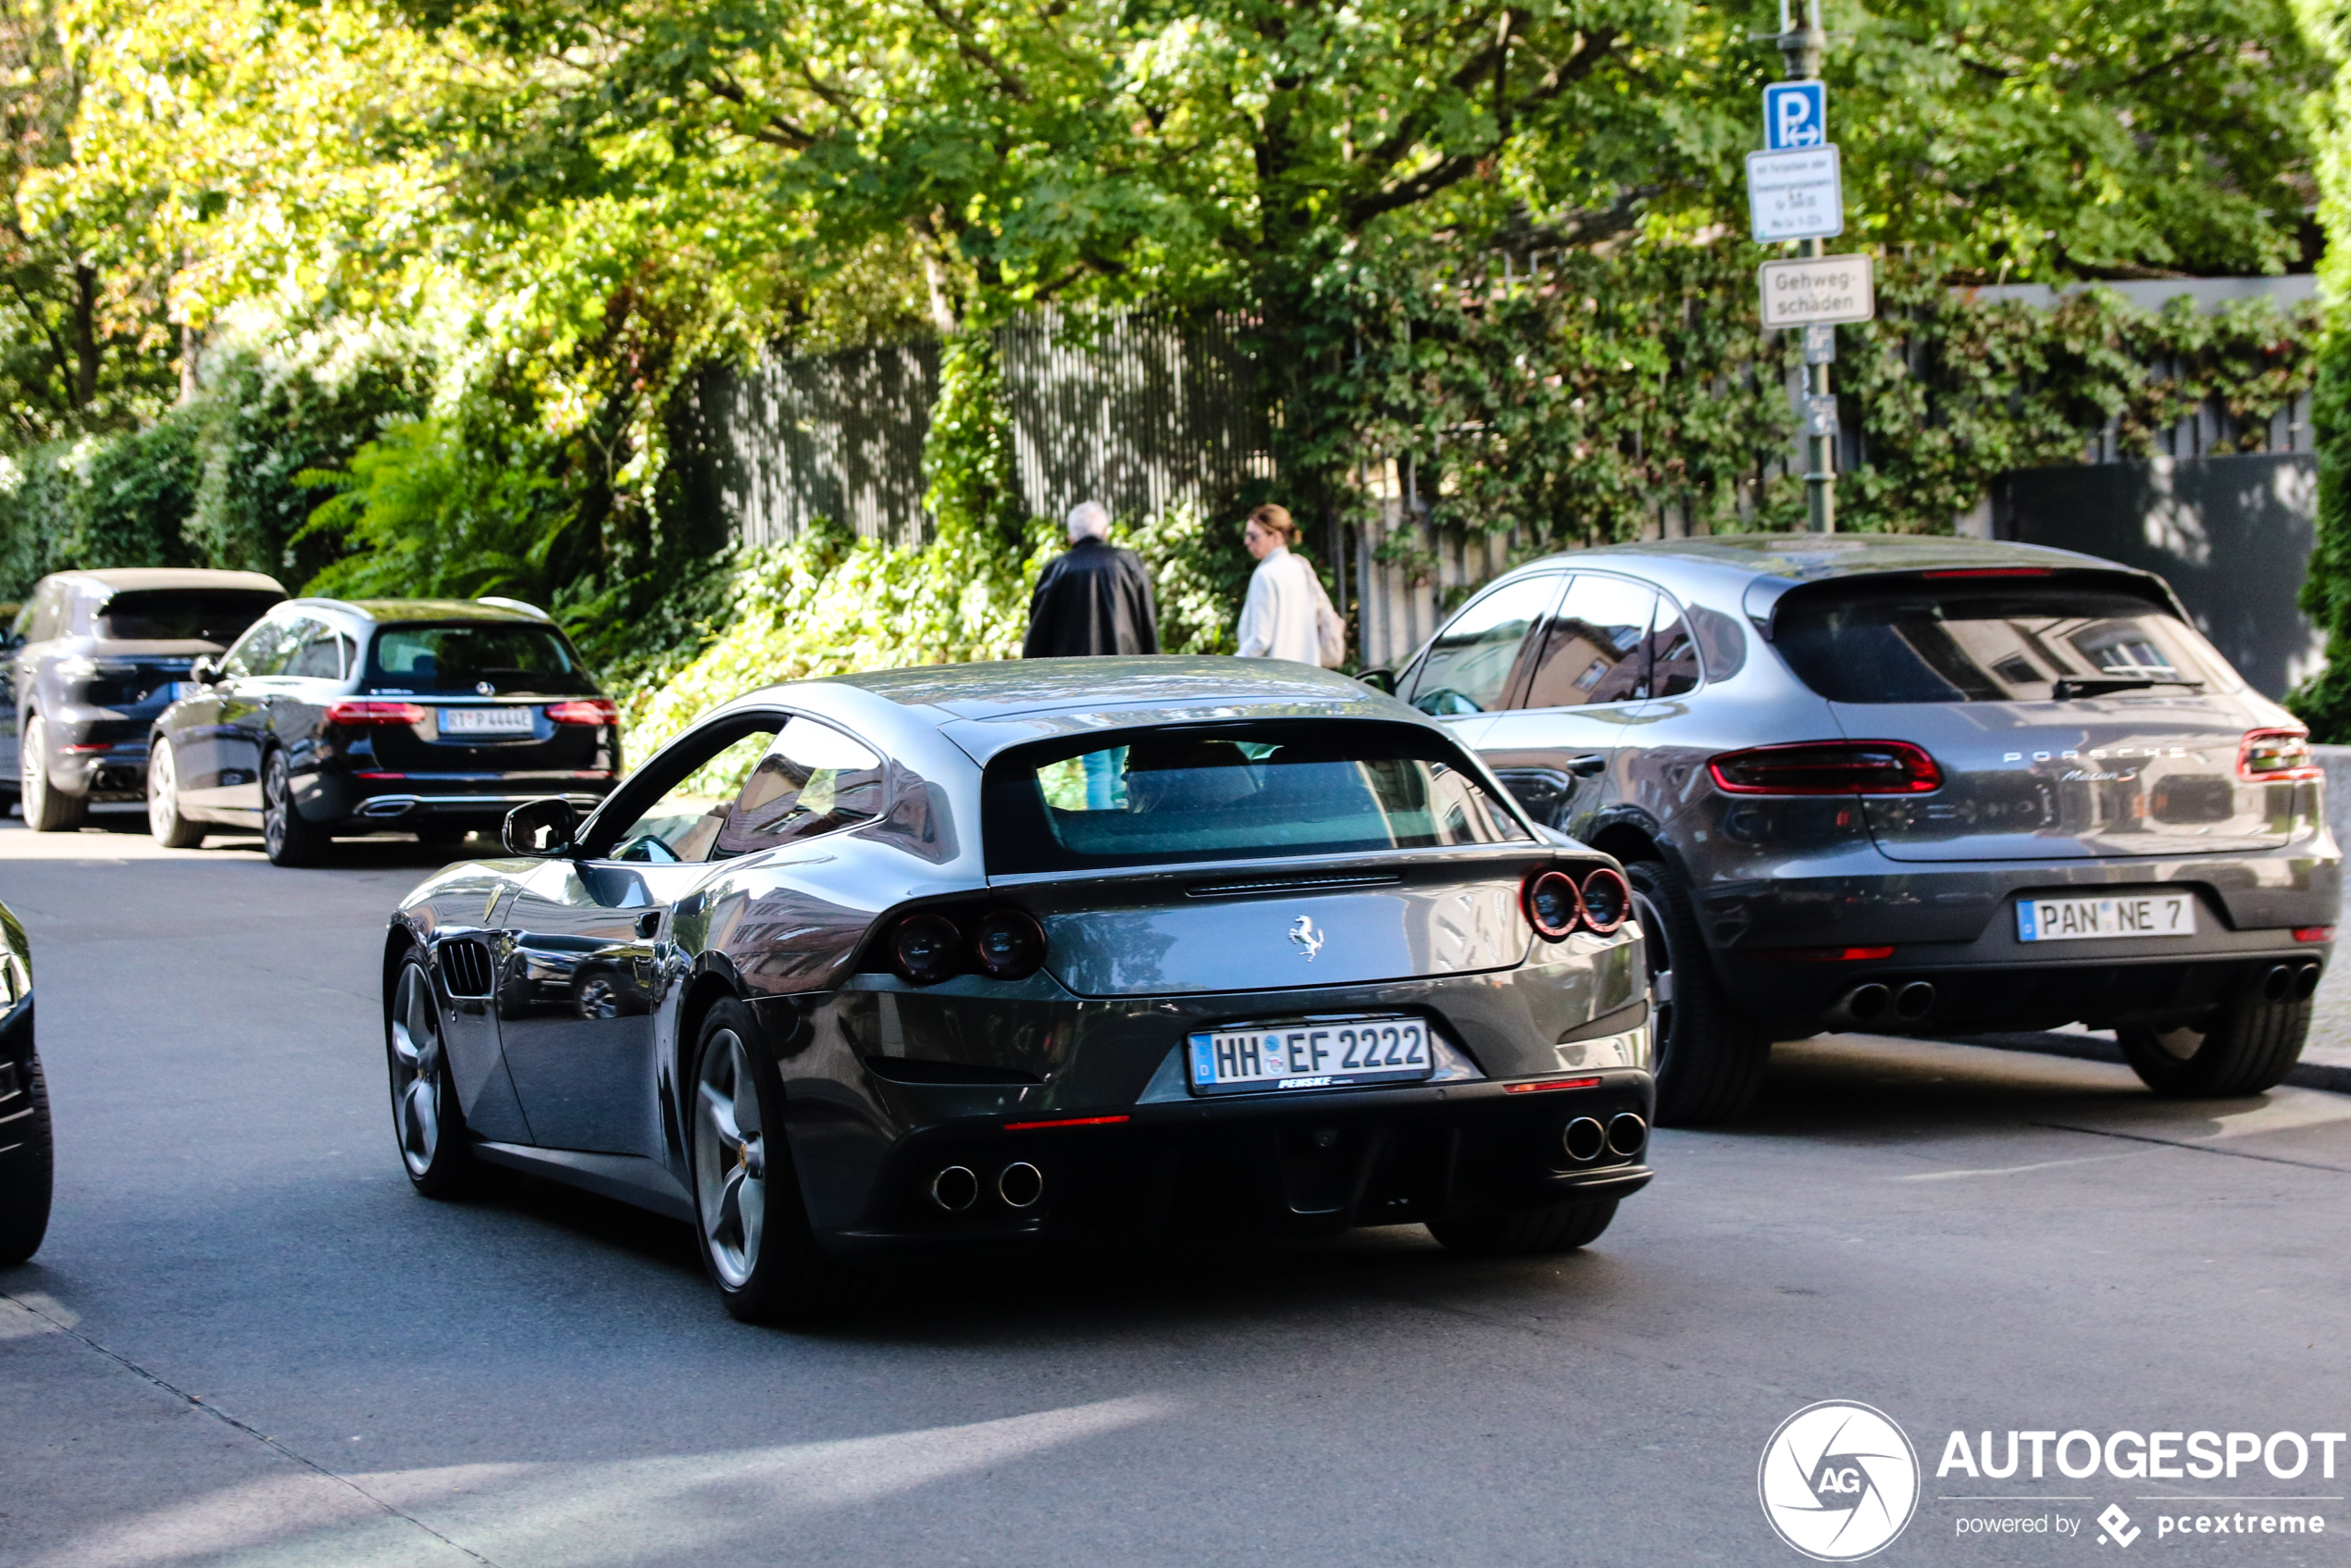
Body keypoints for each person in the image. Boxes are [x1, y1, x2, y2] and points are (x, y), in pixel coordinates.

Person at [1021, 500, 1160, 659]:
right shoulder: (1130, 564)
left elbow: (1038, 634)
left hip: (1071, 675)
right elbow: (1148, 623)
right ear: (1105, 532)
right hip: (1124, 672)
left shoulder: (1057, 569)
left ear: (1071, 538)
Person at [1236, 503, 1343, 666]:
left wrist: (1233, 665)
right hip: (1306, 677)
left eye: (1253, 536)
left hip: (1275, 681)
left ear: (1276, 537)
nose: (1247, 542)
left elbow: (1260, 639)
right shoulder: (1300, 567)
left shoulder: (1266, 575)